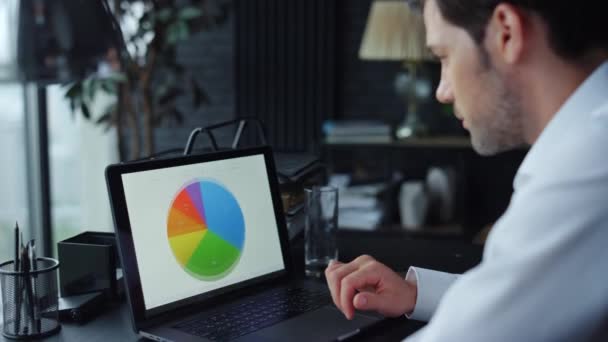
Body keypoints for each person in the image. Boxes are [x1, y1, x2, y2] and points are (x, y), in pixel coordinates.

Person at [325, 0, 608, 340]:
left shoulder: (585, 170)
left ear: (507, 33)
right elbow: (555, 293)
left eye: (444, 56)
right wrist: (417, 293)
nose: (442, 92)